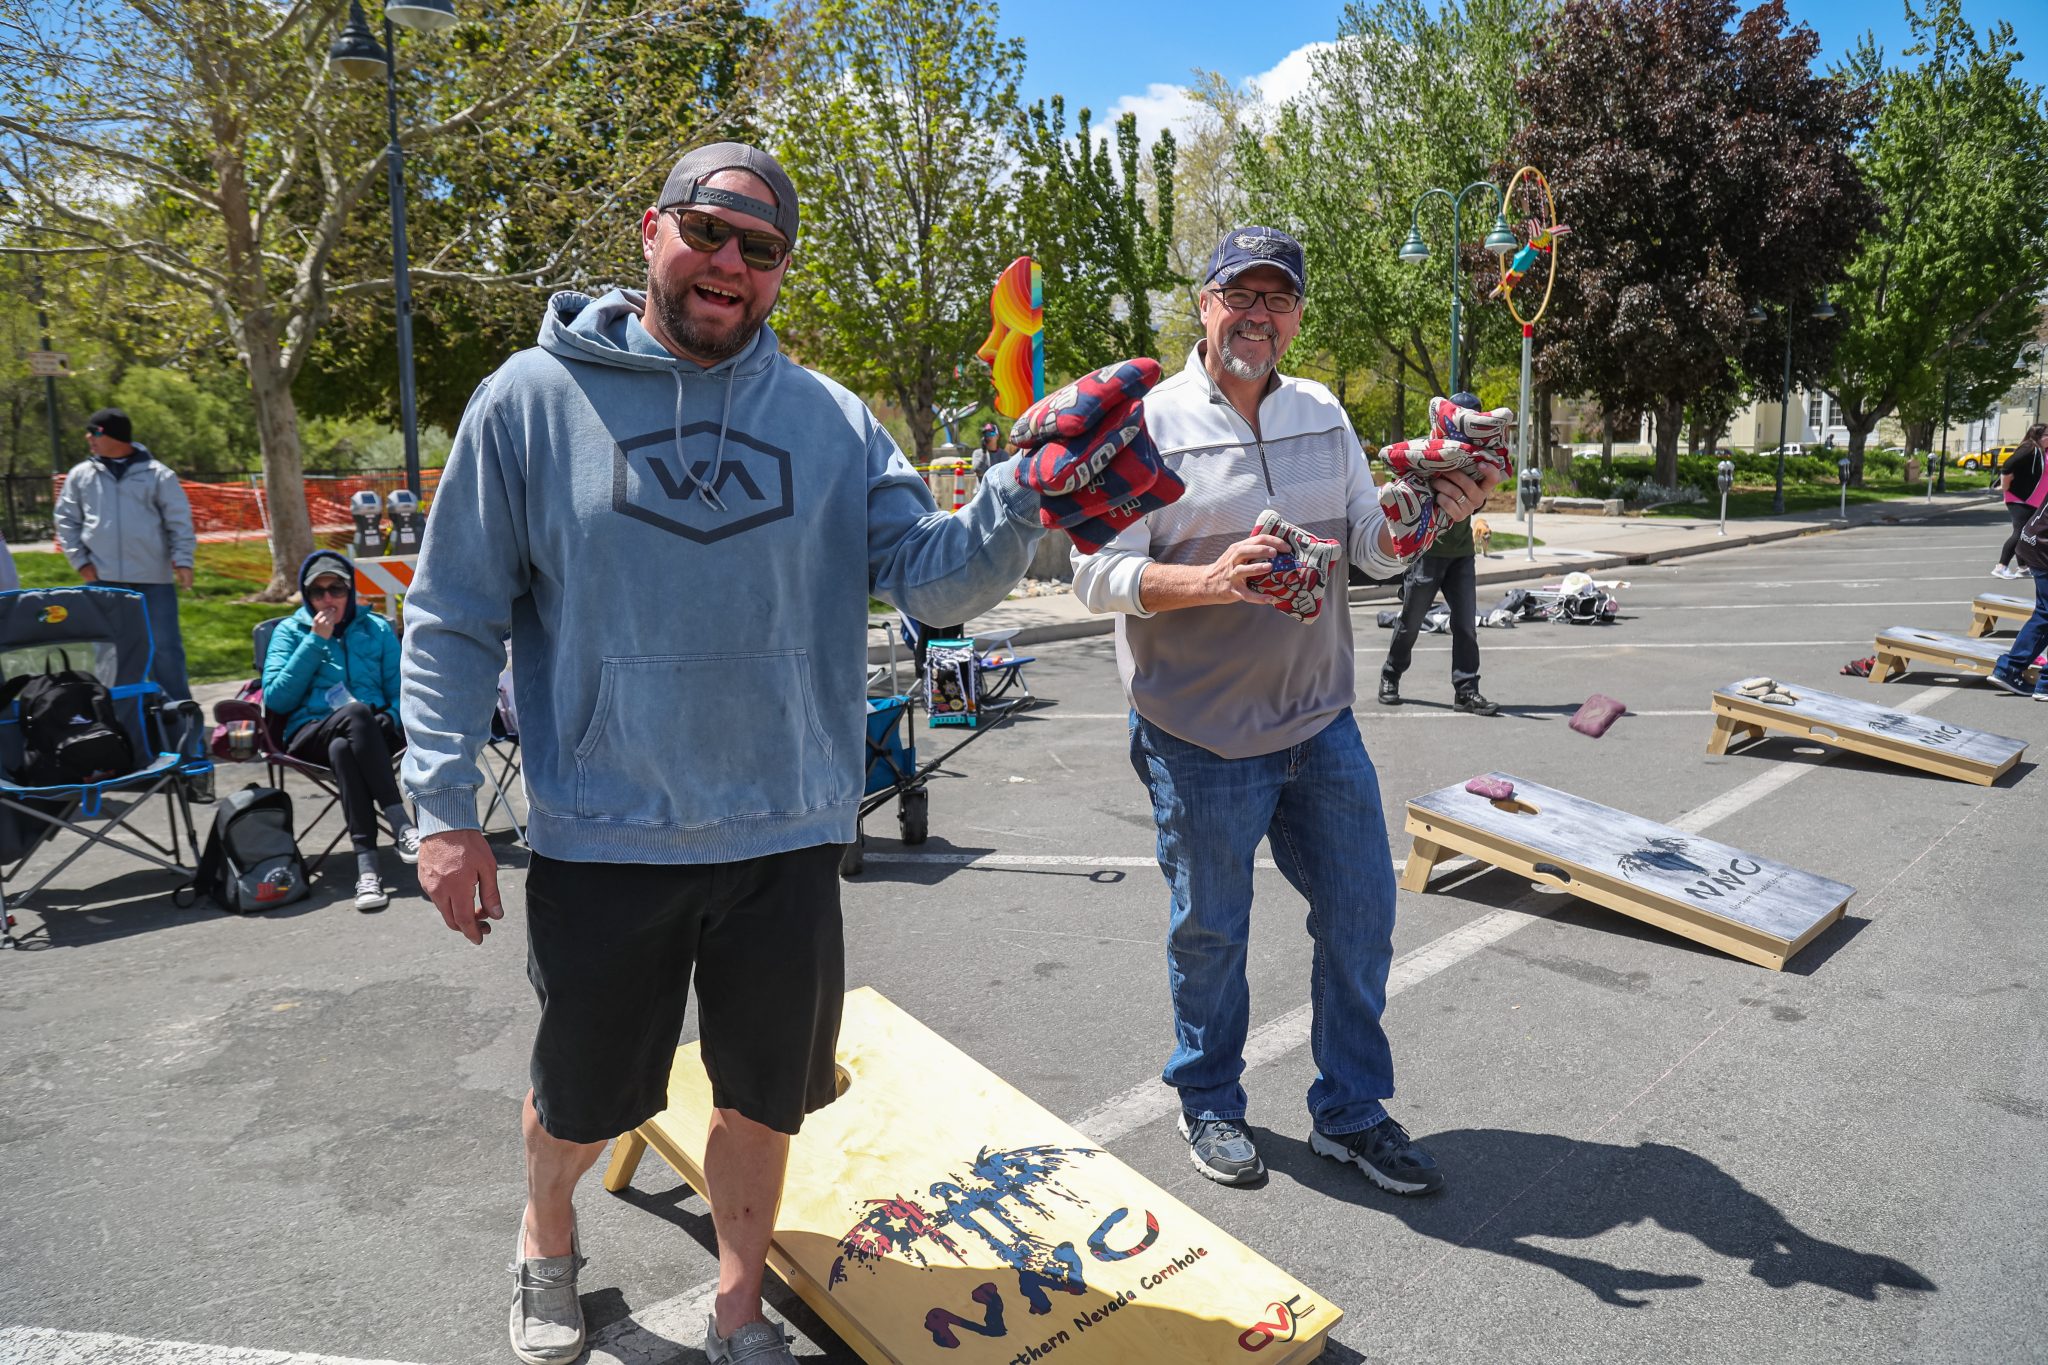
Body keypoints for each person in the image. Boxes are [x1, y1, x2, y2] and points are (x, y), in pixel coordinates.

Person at [397, 141, 1043, 1365]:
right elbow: (449, 617)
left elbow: (937, 584)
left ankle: (738, 1306)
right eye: (708, 230)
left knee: (762, 1096)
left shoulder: (830, 418)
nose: (728, 264)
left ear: (779, 274)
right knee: (582, 1098)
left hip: (786, 831)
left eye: (760, 249)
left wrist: (1022, 492)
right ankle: (545, 1241)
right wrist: (441, 809)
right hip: (607, 829)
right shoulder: (530, 400)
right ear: (651, 232)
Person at [1072, 226, 1498, 1197]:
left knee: (1359, 914)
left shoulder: (1320, 412)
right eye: (1239, 294)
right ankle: (1209, 1102)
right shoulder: (1146, 423)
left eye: (1277, 299)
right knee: (1211, 932)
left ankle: (1349, 1113)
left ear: (1296, 316)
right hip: (1197, 735)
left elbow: (1372, 548)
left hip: (1319, 722)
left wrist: (1434, 516)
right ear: (1204, 302)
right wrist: (1208, 579)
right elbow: (1094, 574)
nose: (1257, 315)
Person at [263, 550, 420, 911]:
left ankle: (367, 871)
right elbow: (277, 699)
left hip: (370, 734)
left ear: (350, 590)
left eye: (336, 588)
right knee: (353, 716)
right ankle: (400, 823)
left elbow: (403, 689)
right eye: (318, 593)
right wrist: (316, 640)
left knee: (344, 748)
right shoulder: (290, 632)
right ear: (307, 597)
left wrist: (393, 718)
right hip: (308, 733)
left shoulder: (376, 628)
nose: (329, 598)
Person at [53, 408, 196, 698]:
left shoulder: (159, 475)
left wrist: (183, 560)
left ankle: (178, 716)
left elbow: (179, 521)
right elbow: (65, 520)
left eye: (94, 432)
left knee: (165, 649)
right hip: (103, 580)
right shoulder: (81, 475)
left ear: (115, 436)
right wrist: (81, 563)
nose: (88, 438)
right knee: (109, 651)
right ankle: (118, 717)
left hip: (153, 581)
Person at [1378, 391, 1498, 715]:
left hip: (1461, 555)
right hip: (1428, 553)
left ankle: (1466, 690)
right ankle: (1390, 674)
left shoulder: (1478, 459)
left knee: (1465, 625)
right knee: (1411, 621)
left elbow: (1479, 499)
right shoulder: (1430, 453)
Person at [1994, 424, 2046, 580]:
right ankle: (2001, 567)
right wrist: (2005, 486)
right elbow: (2008, 465)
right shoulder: (2030, 448)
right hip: (2020, 498)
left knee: (2026, 533)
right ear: (2038, 436)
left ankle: (2023, 567)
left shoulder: (2041, 451)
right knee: (2020, 532)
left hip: (2034, 500)